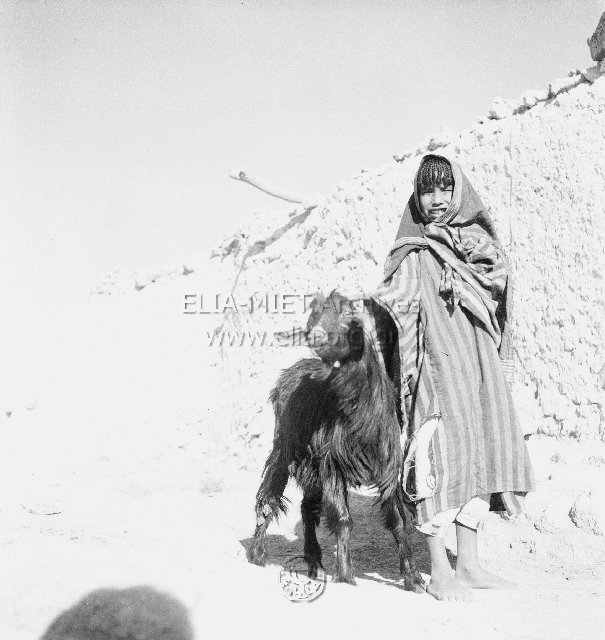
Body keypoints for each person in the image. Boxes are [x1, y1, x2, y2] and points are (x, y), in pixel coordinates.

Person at [372, 153, 535, 601]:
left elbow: (498, 286)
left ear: (459, 192)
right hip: (437, 371)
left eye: (446, 188)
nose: (438, 199)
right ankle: (439, 570)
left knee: (480, 453)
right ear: (417, 197)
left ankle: (470, 564)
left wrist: (468, 279)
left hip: (480, 369)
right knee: (434, 458)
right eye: (428, 190)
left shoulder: (479, 243)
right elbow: (395, 299)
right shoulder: (414, 251)